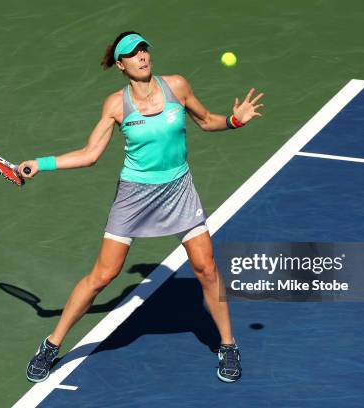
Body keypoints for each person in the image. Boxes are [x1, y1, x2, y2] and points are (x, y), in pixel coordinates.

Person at [18, 31, 264, 384]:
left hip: (179, 190)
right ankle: (51, 344)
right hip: (134, 197)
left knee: (206, 268)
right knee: (103, 276)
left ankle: (228, 344)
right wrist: (41, 163)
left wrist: (234, 120)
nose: (142, 56)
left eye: (144, 49)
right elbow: (90, 154)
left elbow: (206, 119)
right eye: (132, 54)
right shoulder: (116, 105)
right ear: (121, 65)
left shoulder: (177, 86)